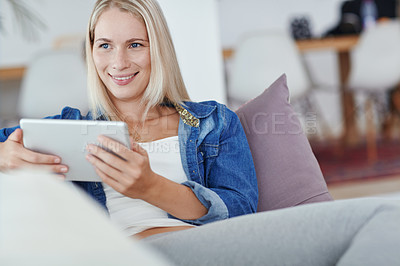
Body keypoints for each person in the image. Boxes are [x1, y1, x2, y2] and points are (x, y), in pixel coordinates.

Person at [0, 0, 400, 265]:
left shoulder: (212, 122)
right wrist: (5, 155)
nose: (117, 62)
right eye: (104, 45)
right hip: (127, 253)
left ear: (159, 48)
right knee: (384, 216)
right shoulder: (67, 128)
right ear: (91, 52)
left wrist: (150, 186)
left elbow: (239, 212)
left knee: (384, 222)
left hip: (215, 249)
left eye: (135, 44)